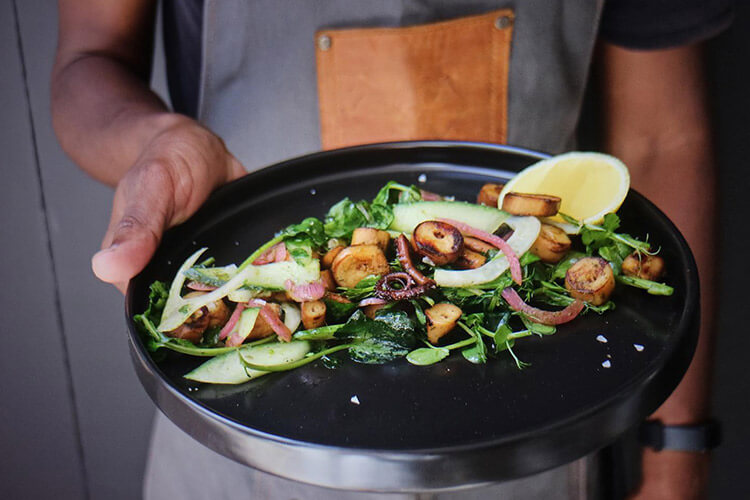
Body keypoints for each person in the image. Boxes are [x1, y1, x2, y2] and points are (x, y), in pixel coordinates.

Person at [52, 1, 732, 498]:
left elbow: (662, 138)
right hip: (243, 451)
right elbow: (88, 58)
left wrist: (677, 459)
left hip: (542, 450)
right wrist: (156, 141)